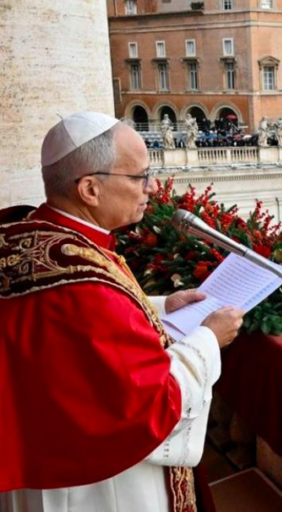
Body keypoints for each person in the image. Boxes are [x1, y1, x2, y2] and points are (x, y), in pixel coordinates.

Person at [0, 113, 244, 512]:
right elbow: (149, 403)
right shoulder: (83, 284)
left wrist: (162, 304)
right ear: (90, 189)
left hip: (41, 453)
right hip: (95, 484)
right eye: (139, 177)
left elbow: (73, 324)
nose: (150, 188)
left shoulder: (29, 232)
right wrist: (208, 339)